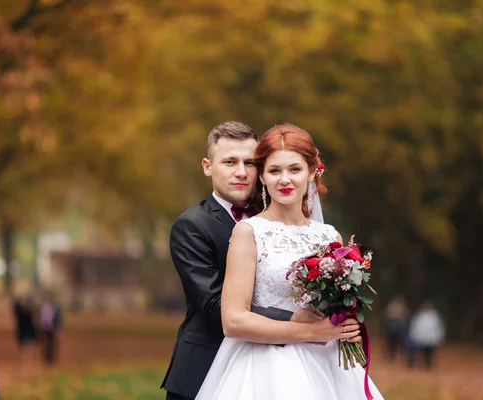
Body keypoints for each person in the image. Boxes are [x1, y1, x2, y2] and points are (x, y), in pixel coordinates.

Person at [161, 122, 361, 400]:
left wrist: (345, 324)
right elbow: (216, 308)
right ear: (208, 166)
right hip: (217, 363)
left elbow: (335, 303)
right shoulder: (198, 227)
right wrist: (302, 324)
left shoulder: (318, 230)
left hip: (317, 362)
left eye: (250, 163)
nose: (241, 172)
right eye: (230, 162)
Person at [407, 299, 444, 369]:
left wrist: (439, 338)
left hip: (431, 339)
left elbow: (439, 327)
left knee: (429, 353)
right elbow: (414, 326)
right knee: (419, 353)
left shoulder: (435, 316)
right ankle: (419, 364)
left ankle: (428, 365)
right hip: (420, 338)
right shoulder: (418, 316)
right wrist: (413, 336)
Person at [13, 295, 39, 363]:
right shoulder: (22, 312)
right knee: (25, 344)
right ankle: (26, 359)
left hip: (26, 329)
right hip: (24, 329)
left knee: (27, 344)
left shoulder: (26, 312)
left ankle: (27, 359)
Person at [383, 295, 409, 361]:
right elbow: (387, 316)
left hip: (399, 330)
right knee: (390, 344)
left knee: (399, 344)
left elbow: (405, 318)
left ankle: (398, 356)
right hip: (391, 330)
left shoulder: (403, 308)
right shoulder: (390, 307)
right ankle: (390, 355)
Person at [39, 294, 62, 365]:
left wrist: (58, 327)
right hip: (45, 328)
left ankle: (51, 359)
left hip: (52, 328)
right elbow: (41, 317)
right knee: (46, 344)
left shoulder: (55, 308)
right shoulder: (44, 307)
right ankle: (46, 358)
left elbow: (58, 318)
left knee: (52, 344)